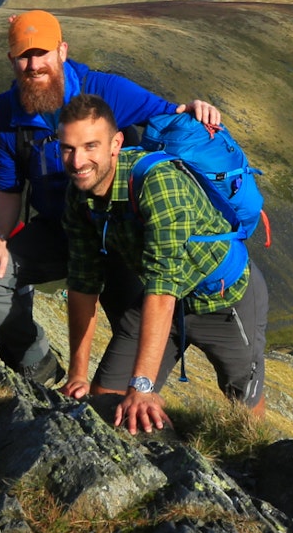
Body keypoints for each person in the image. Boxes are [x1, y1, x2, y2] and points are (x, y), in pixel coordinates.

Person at [0, 10, 222, 383]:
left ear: (62, 51)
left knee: (133, 324)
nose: (34, 65)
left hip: (118, 234)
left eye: (43, 53)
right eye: (24, 55)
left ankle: (134, 399)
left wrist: (195, 109)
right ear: (11, 60)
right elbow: (8, 186)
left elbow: (168, 117)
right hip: (57, 231)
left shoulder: (105, 90)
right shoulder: (6, 112)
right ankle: (40, 368)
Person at [55, 94, 268, 434]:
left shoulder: (158, 185)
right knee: (104, 398)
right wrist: (77, 374)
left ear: (116, 144)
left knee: (243, 400)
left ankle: (255, 457)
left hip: (225, 299)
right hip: (164, 303)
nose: (78, 161)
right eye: (67, 148)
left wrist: (142, 387)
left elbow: (162, 286)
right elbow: (83, 282)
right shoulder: (78, 194)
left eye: (90, 146)